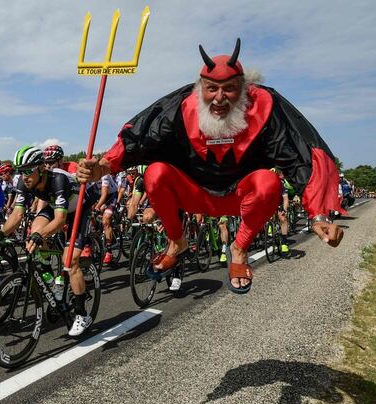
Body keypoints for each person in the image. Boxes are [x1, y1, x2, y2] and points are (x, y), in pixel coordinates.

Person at [77, 38, 343, 294]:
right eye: (212, 88)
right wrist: (101, 167)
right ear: (200, 87)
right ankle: (177, 242)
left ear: (243, 86)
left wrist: (319, 215)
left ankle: (239, 249)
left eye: (229, 88)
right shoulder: (181, 107)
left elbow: (300, 155)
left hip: (239, 196)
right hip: (194, 195)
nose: (219, 98)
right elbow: (139, 138)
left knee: (268, 182)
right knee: (155, 173)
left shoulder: (264, 105)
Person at [0, 146, 96, 336]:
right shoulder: (24, 182)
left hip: (79, 209)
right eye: (21, 171)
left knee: (70, 261)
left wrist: (40, 236)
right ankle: (51, 280)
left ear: (42, 168)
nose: (24, 176)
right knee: (34, 231)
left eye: (28, 170)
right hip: (56, 207)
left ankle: (81, 314)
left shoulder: (58, 179)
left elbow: (60, 220)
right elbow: (17, 215)